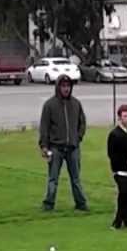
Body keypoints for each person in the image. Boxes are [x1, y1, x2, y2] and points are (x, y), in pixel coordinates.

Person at [38, 74, 88, 212]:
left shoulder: (76, 104)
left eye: (68, 86)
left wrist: (78, 137)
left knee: (76, 178)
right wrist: (44, 146)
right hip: (55, 148)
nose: (66, 89)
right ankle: (49, 203)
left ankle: (81, 203)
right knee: (53, 178)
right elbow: (44, 127)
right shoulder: (49, 105)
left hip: (73, 147)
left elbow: (82, 123)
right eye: (63, 86)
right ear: (58, 87)